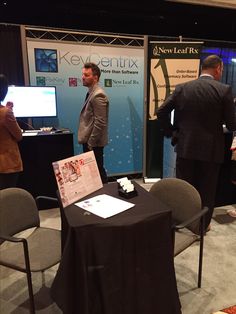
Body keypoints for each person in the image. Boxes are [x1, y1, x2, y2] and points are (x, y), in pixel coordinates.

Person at [156, 55, 236, 230]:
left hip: (185, 148)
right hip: (211, 151)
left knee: (185, 189)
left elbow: (161, 111)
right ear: (218, 68)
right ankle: (201, 227)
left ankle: (183, 223)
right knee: (206, 191)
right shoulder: (224, 90)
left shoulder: (182, 88)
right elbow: (232, 124)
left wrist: (172, 132)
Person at [78, 62, 109, 183]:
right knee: (93, 172)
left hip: (94, 143)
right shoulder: (91, 92)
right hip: (90, 141)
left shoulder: (98, 95)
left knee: (98, 172)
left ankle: (107, 195)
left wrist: (91, 143)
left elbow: (100, 122)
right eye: (82, 74)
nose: (83, 77)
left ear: (95, 77)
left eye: (86, 75)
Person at [0, 74, 23, 189]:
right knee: (7, 197)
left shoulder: (5, 111)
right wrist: (9, 111)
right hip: (7, 164)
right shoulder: (5, 113)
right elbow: (18, 135)